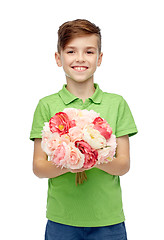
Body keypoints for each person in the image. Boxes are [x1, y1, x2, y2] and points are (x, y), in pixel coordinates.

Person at [30, 19, 138, 240]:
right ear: (58, 58)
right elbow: (39, 167)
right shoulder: (46, 105)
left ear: (99, 58)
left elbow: (124, 164)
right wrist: (71, 162)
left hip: (108, 221)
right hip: (62, 221)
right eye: (71, 51)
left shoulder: (116, 104)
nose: (80, 58)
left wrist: (90, 156)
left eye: (89, 52)